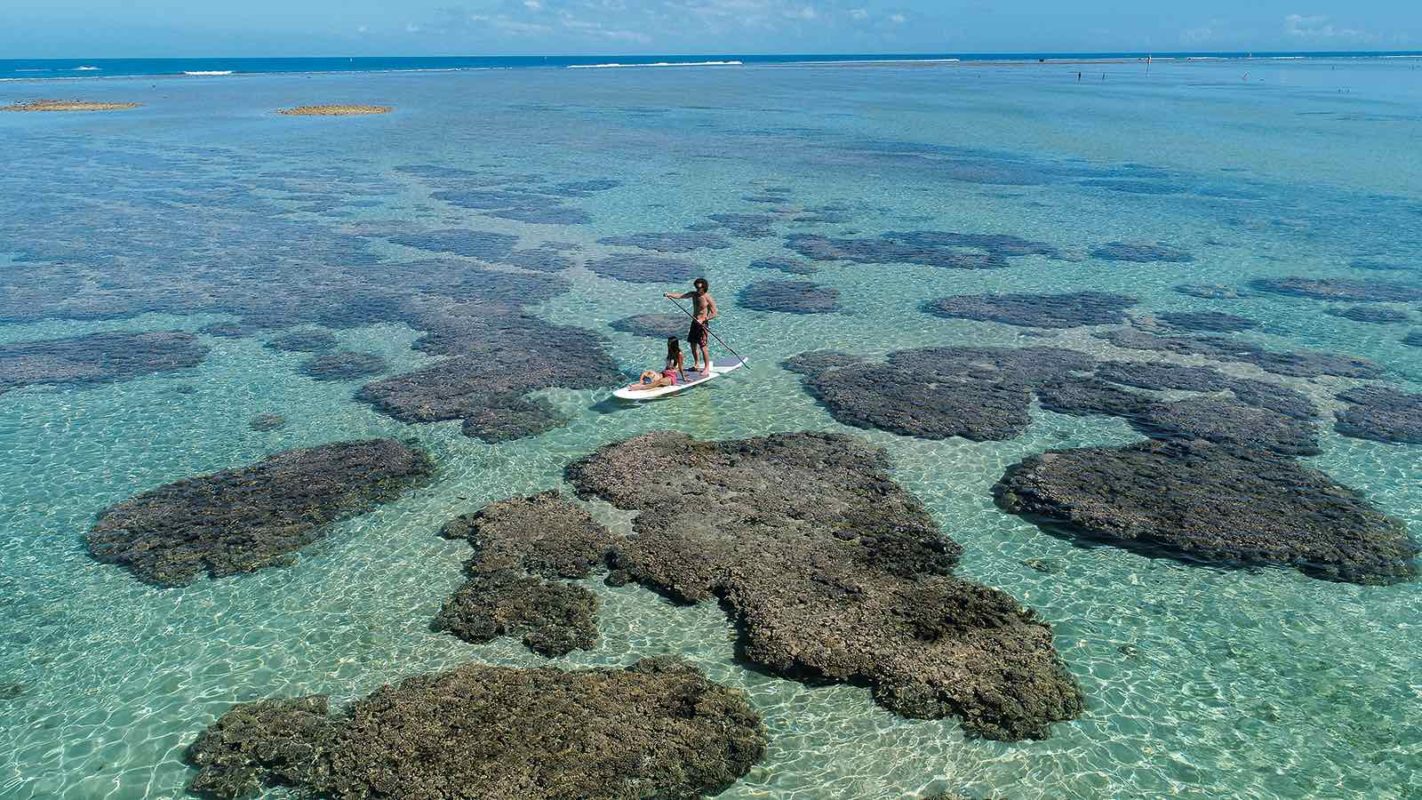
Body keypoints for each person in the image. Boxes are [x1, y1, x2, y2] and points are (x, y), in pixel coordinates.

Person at [664, 277, 717, 374]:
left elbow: (714, 313)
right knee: (693, 344)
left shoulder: (708, 298)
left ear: (704, 287)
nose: (697, 290)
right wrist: (670, 294)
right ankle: (696, 364)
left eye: (699, 288)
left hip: (702, 325)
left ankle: (706, 367)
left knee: (703, 346)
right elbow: (681, 296)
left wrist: (703, 319)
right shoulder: (693, 294)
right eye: (696, 287)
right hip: (694, 323)